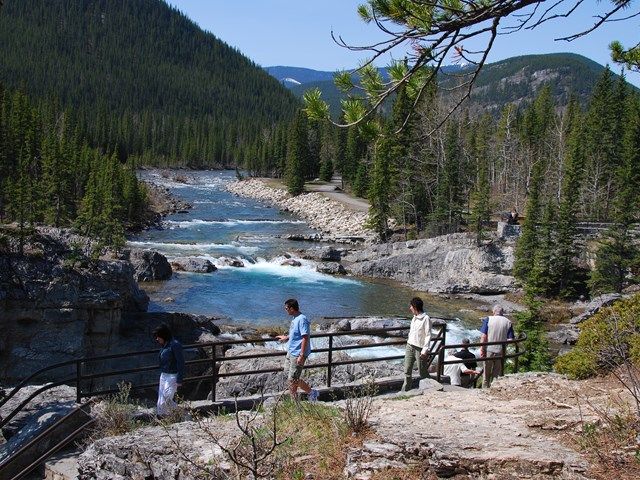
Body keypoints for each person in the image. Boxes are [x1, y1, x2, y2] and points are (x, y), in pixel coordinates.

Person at [277, 299, 319, 401]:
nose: (285, 310)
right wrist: (286, 337)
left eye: (286, 308)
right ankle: (302, 396)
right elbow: (296, 333)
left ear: (292, 308)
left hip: (297, 354)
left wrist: (301, 355)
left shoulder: (302, 319)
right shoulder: (295, 318)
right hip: (291, 352)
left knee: (292, 379)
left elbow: (305, 337)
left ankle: (308, 394)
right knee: (290, 379)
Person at [479, 305, 515, 388]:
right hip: (501, 350)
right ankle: (494, 388)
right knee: (497, 372)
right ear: (502, 312)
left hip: (489, 349)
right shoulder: (508, 322)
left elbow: (484, 336)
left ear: (493, 311)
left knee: (486, 372)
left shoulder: (488, 319)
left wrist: (482, 349)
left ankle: (484, 388)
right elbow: (510, 339)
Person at [154, 323, 185, 416]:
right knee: (160, 401)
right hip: (163, 375)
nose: (157, 339)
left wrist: (179, 379)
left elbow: (181, 362)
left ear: (163, 335)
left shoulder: (175, 345)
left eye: (158, 336)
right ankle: (162, 417)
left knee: (166, 399)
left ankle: (183, 413)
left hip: (172, 376)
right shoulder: (165, 345)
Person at [401, 297, 432, 391]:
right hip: (410, 346)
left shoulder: (426, 319)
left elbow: (428, 335)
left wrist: (425, 350)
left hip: (420, 349)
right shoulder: (414, 317)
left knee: (422, 371)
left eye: (411, 306)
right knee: (407, 370)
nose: (410, 308)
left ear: (415, 307)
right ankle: (405, 390)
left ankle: (430, 388)